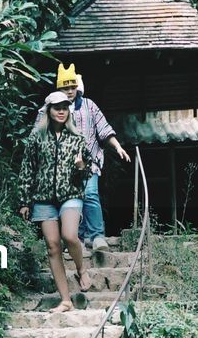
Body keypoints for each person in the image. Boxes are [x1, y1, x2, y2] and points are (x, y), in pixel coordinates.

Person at [35, 63, 130, 252]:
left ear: (77, 86)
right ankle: (77, 239)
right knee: (70, 202)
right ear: (59, 89)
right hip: (62, 167)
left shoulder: (89, 105)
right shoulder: (51, 108)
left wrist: (118, 147)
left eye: (72, 87)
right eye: (65, 88)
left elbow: (103, 129)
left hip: (89, 162)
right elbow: (37, 134)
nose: (69, 91)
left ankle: (97, 237)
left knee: (90, 194)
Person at [18, 92, 95, 312]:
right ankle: (66, 300)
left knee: (69, 235)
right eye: (56, 107)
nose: (61, 111)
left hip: (70, 194)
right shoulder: (37, 138)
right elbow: (27, 169)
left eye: (64, 107)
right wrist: (24, 200)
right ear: (48, 111)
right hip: (43, 198)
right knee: (53, 247)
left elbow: (87, 172)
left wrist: (81, 167)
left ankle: (81, 269)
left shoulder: (77, 138)